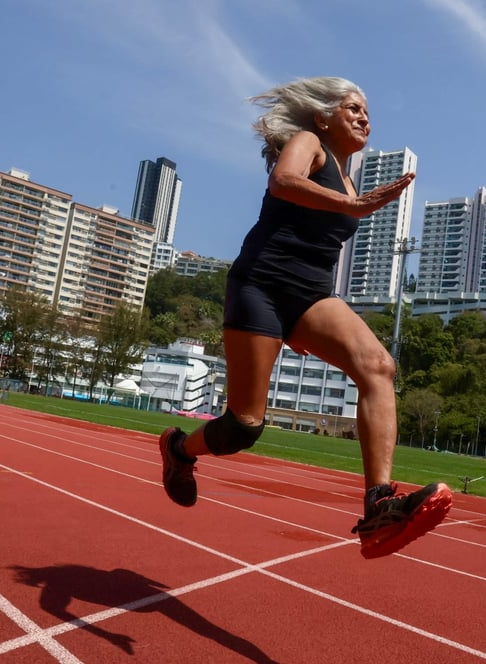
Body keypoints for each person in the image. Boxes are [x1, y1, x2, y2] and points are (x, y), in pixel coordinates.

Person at [159, 76, 452, 559]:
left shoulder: (347, 173)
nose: (364, 118)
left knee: (379, 367)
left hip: (310, 297)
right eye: (353, 108)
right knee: (243, 427)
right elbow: (284, 182)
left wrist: (308, 324)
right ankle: (178, 450)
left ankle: (379, 505)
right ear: (323, 116)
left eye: (367, 112)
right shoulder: (308, 143)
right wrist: (351, 204)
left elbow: (320, 248)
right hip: (261, 286)